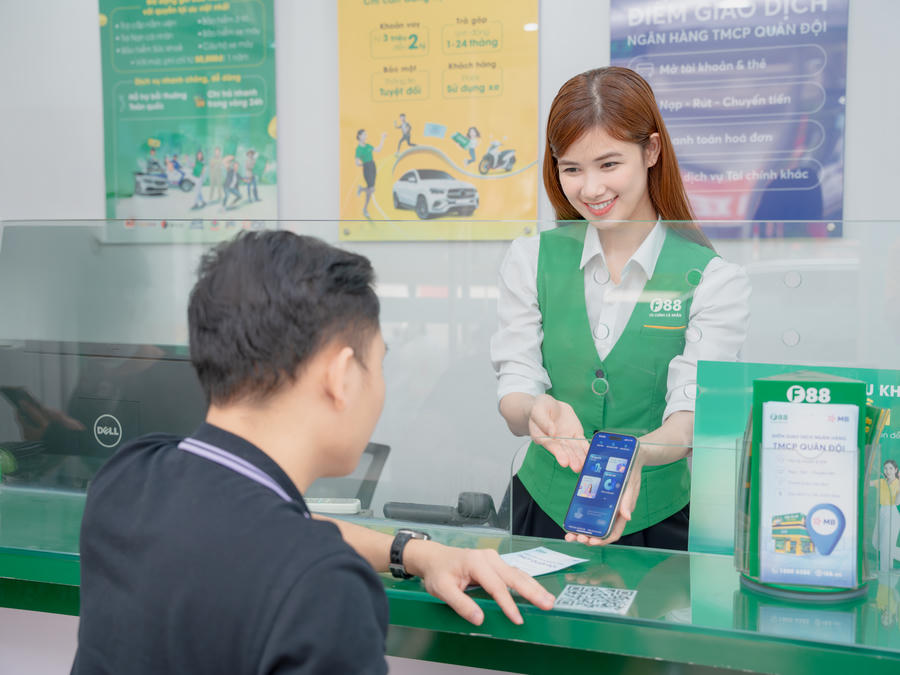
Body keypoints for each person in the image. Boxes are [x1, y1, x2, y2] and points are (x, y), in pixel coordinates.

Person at [72, 231, 554, 674]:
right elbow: (286, 537)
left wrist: (415, 552)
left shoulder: (126, 477)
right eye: (378, 365)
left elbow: (272, 525)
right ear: (340, 377)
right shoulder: (323, 587)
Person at [491, 67, 750, 550]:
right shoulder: (529, 259)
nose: (590, 189)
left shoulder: (714, 280)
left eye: (608, 164)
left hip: (657, 518)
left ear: (651, 151)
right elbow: (515, 389)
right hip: (539, 507)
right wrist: (535, 408)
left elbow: (691, 415)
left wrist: (636, 455)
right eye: (571, 169)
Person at [870, 458, 900, 571]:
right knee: (876, 543)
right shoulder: (881, 482)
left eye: (891, 468)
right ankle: (886, 568)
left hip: (892, 513)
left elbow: (897, 502)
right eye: (886, 468)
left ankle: (885, 571)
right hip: (882, 512)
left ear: (896, 470)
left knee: (885, 546)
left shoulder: (898, 483)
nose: (888, 471)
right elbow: (868, 483)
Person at [355, 129, 386, 219]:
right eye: (364, 134)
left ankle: (361, 189)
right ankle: (365, 209)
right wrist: (361, 163)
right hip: (367, 168)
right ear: (359, 136)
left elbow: (378, 149)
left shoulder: (368, 145)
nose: (366, 136)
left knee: (370, 189)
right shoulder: (358, 149)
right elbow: (357, 162)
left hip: (373, 166)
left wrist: (382, 138)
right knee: (371, 189)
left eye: (366, 134)